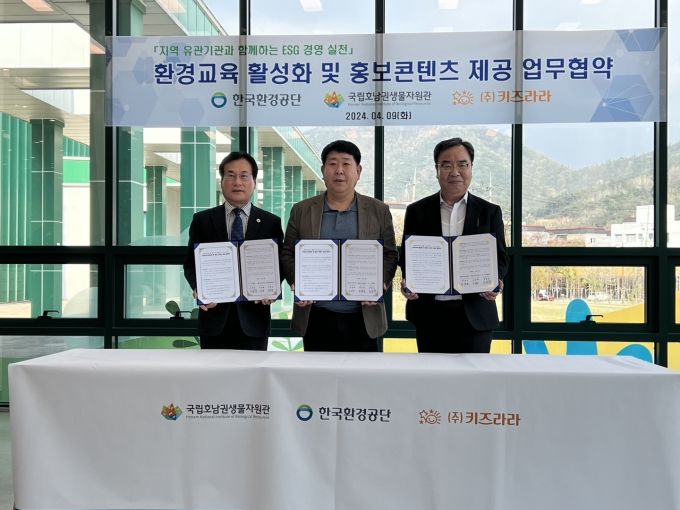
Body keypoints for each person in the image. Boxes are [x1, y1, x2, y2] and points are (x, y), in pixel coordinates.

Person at [281, 140, 398, 352]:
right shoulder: (302, 210)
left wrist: (379, 283)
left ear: (358, 171)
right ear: (323, 170)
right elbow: (288, 252)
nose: (339, 170)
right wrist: (296, 282)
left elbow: (390, 254)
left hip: (363, 317)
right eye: (333, 164)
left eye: (346, 164)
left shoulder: (378, 210)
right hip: (316, 315)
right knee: (317, 373)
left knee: (362, 373)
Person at [399, 137, 509, 354]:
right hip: (430, 315)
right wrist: (408, 281)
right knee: (432, 375)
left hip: (475, 314)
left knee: (475, 375)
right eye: (446, 165)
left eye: (462, 164)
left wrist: (495, 280)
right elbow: (407, 257)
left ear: (471, 168)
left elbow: (501, 256)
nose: (455, 172)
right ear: (437, 170)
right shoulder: (417, 211)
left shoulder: (489, 211)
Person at [183, 152, 284, 350]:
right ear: (222, 182)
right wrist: (199, 287)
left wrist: (271, 288)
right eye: (230, 175)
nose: (237, 182)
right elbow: (190, 264)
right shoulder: (203, 220)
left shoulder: (270, 222)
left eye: (244, 175)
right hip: (214, 320)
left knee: (254, 371)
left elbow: (279, 263)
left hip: (254, 320)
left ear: (254, 182)